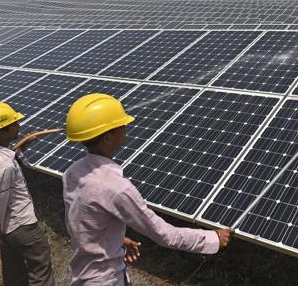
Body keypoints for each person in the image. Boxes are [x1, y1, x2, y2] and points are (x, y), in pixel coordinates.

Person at [62, 93, 233, 285]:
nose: (126, 128)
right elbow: (164, 234)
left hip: (83, 275)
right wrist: (213, 239)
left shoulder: (72, 172)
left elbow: (83, 222)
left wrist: (117, 239)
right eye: (122, 125)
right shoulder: (117, 189)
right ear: (108, 138)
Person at [0, 102, 55, 286]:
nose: (18, 126)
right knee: (40, 263)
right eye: (14, 124)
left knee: (13, 269)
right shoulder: (6, 167)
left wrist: (21, 146)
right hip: (21, 225)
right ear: (3, 132)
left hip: (7, 230)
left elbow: (0, 164)